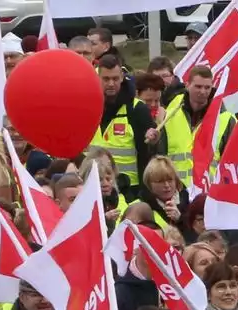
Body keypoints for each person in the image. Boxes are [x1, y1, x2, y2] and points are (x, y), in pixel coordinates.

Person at [91, 54, 156, 198]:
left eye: (115, 78)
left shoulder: (137, 109)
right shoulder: (89, 107)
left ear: (122, 77)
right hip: (92, 185)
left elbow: (147, 155)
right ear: (98, 78)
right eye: (106, 79)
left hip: (129, 191)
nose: (111, 83)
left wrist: (144, 194)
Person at [157, 65, 216, 188]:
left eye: (207, 87)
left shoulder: (224, 117)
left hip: (209, 192)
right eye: (198, 86)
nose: (203, 92)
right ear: (187, 85)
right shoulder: (169, 113)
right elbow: (159, 154)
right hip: (175, 190)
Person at [139, 157, 189, 230]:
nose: (167, 185)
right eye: (160, 181)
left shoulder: (190, 202)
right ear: (149, 184)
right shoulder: (141, 208)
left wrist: (180, 219)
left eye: (170, 180)